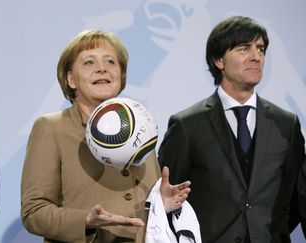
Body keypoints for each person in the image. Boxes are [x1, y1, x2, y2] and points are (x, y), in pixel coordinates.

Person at [21, 29, 193, 243]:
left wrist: (161, 204)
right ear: (71, 79)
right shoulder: (51, 128)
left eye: (110, 62)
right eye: (89, 62)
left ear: (121, 77)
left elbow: (145, 209)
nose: (102, 68)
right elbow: (34, 212)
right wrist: (85, 221)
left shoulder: (141, 125)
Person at [157, 15, 305, 243]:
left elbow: (296, 200)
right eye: (244, 49)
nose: (256, 57)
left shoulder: (288, 124)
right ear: (219, 60)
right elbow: (166, 198)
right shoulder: (187, 125)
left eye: (261, 49)